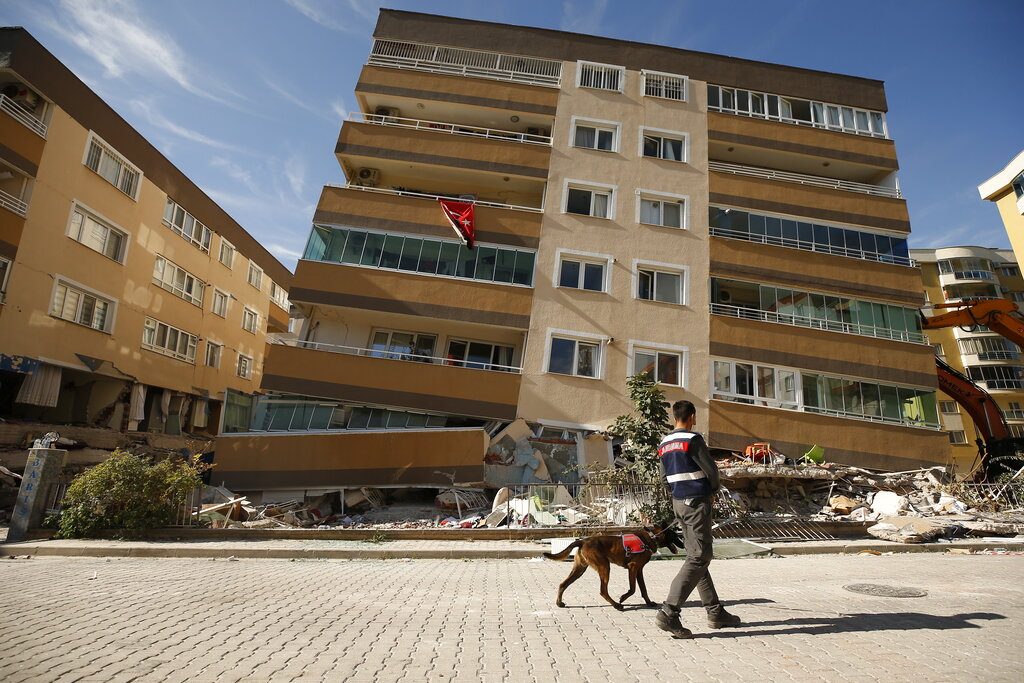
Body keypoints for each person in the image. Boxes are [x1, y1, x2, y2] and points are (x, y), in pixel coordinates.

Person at [655, 400, 741, 639]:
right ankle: (669, 612)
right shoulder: (693, 439)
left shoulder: (664, 443)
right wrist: (712, 491)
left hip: (679, 503)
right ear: (692, 416)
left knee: (697, 555)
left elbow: (663, 479)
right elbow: (711, 471)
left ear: (675, 416)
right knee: (699, 556)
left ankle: (715, 612)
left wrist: (678, 494)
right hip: (697, 502)